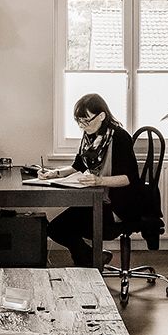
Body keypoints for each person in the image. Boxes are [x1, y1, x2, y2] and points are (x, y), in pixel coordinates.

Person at [41, 93, 143, 268]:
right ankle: (91, 258)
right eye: (78, 121)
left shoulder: (119, 137)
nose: (82, 126)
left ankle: (89, 260)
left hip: (118, 207)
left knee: (61, 228)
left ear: (102, 116)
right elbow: (77, 165)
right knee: (54, 228)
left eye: (86, 121)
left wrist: (98, 181)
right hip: (98, 201)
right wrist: (54, 173)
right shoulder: (90, 137)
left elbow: (128, 179)